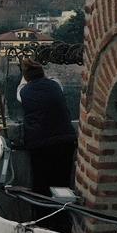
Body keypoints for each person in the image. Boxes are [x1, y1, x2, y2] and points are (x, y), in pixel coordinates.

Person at [18, 59, 77, 223]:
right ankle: (62, 220)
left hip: (40, 145)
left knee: (41, 186)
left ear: (26, 77)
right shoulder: (55, 85)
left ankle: (42, 221)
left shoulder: (24, 92)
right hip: (65, 142)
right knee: (62, 184)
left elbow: (21, 91)